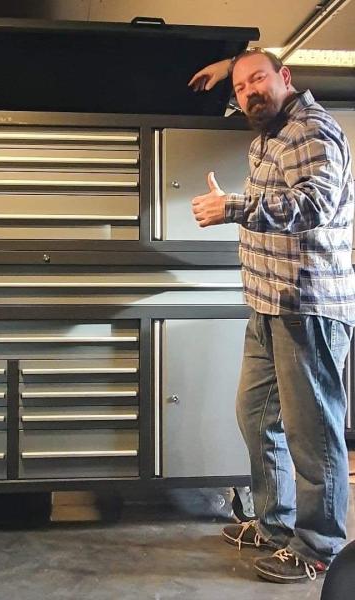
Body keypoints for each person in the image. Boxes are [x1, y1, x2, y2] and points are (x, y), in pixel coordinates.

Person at [188, 48, 355, 584]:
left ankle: (319, 547)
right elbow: (248, 87)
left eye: (259, 79)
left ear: (286, 77)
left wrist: (234, 207)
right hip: (268, 305)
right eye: (241, 88)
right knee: (256, 415)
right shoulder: (269, 131)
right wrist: (229, 69)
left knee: (313, 434)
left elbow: (315, 206)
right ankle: (276, 525)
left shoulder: (310, 129)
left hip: (307, 308)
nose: (250, 93)